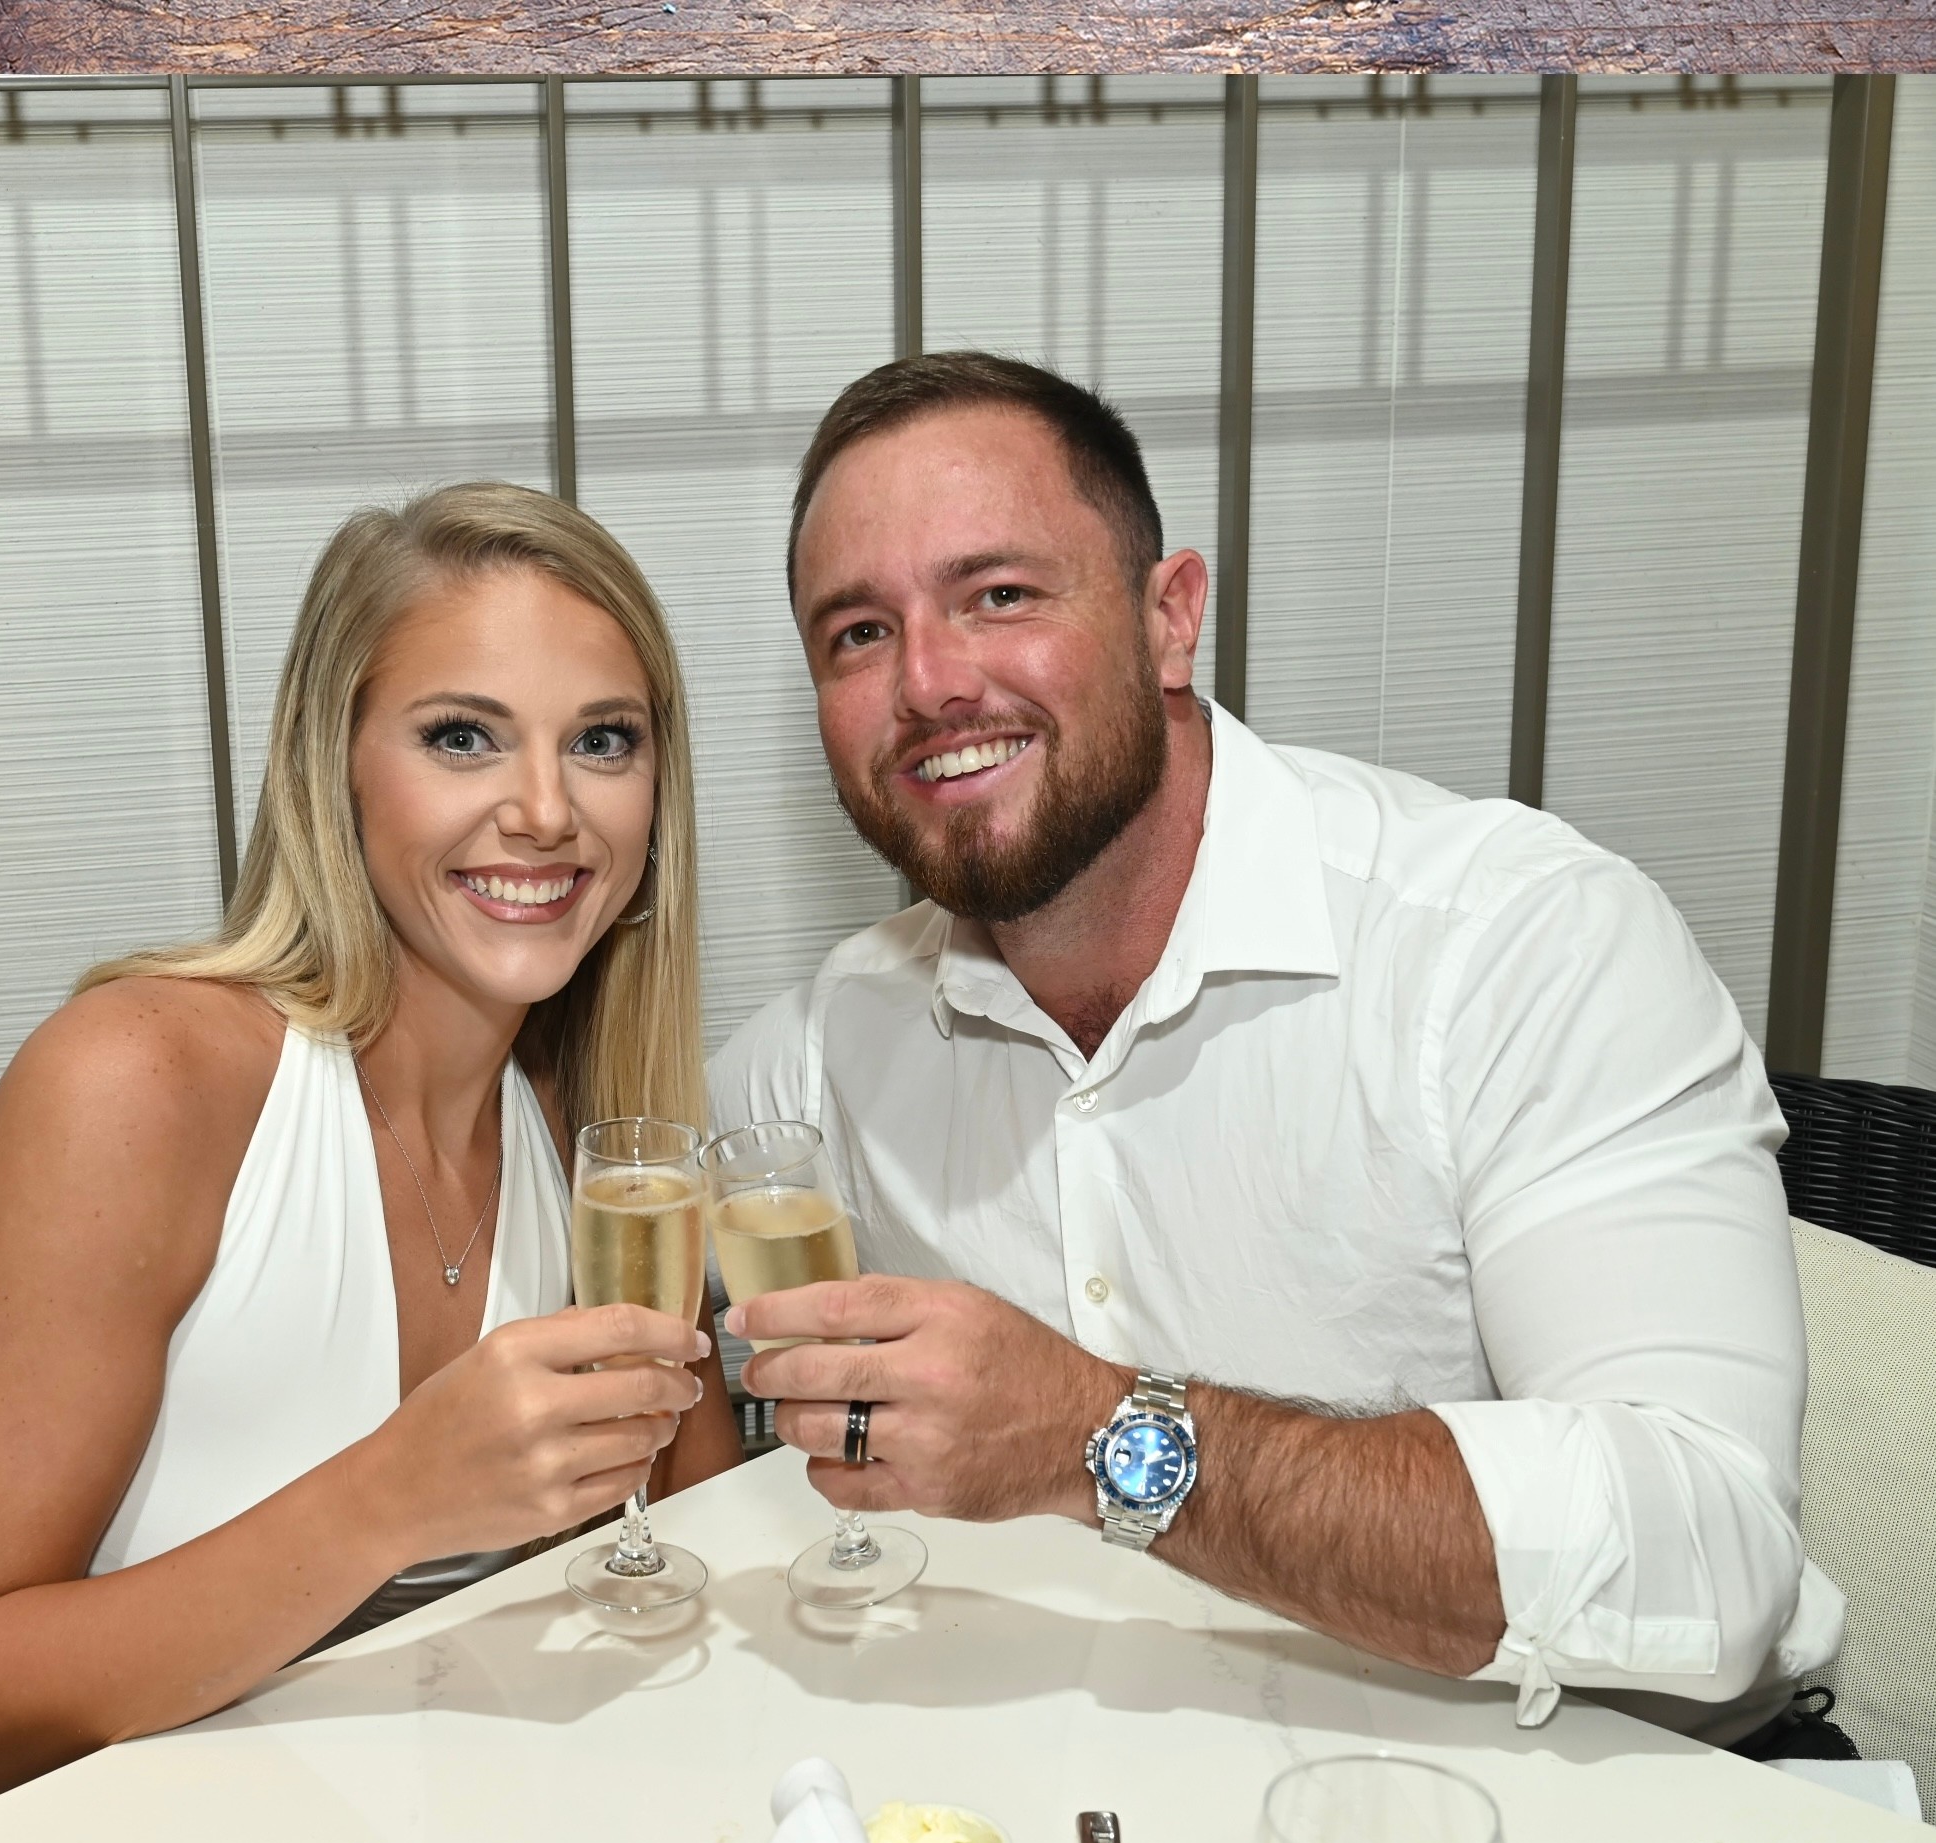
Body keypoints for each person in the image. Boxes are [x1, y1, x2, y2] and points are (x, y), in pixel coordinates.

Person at [711, 352, 1842, 1747]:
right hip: (1105, 1783)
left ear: (1169, 618)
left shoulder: (1516, 948)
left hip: (1606, 1795)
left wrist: (1096, 1435)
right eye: (858, 633)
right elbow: (599, 1219)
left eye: (999, 595)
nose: (929, 681)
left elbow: (1712, 1553)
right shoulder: (838, 1042)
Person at [0, 485, 740, 1810]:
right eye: (463, 738)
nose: (548, 810)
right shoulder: (136, 1082)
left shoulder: (585, 1118)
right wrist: (394, 1497)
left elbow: (699, 1546)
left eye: (603, 740)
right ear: (336, 766)